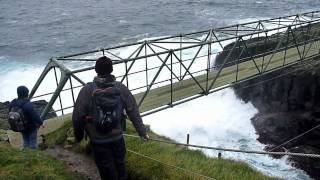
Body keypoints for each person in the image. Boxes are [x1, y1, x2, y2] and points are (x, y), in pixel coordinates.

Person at [72, 56, 149, 180]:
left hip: (98, 140)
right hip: (117, 136)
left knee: (106, 170)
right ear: (111, 70)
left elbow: (77, 117)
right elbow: (133, 110)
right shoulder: (121, 88)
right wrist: (142, 132)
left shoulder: (87, 90)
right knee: (120, 166)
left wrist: (79, 136)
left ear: (96, 70)